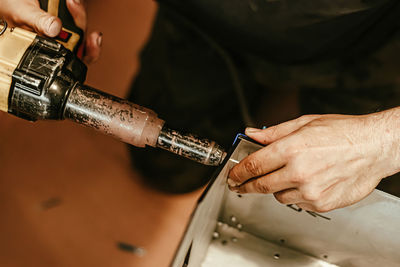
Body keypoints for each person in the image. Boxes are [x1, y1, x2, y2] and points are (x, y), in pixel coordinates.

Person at [3, 0, 400, 213]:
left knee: (365, 210)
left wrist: (381, 141)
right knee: (165, 171)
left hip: (370, 41)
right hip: (202, 20)